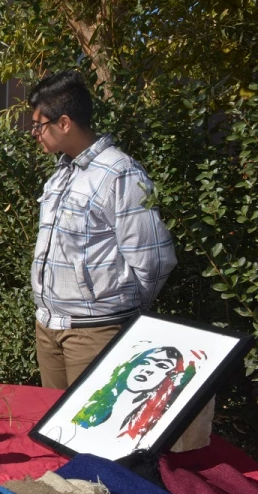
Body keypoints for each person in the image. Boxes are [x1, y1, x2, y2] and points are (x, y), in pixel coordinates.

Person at [29, 70, 177, 389]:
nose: (33, 133)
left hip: (94, 332)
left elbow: (154, 260)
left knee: (88, 429)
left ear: (64, 123)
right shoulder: (61, 175)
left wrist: (117, 309)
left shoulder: (119, 174)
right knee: (52, 427)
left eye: (38, 125)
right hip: (48, 327)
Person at [72, 346, 202, 442]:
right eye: (145, 362)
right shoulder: (98, 402)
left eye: (162, 366)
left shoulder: (151, 420)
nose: (148, 369)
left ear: (170, 377)